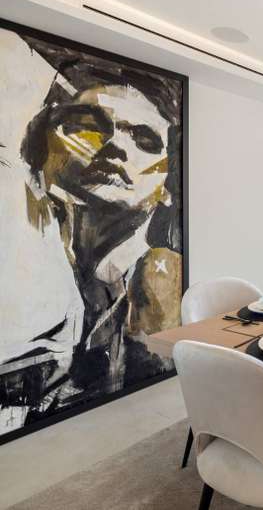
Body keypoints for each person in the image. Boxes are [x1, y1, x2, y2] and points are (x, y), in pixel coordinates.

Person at [0, 31, 182, 433]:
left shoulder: (162, 284)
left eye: (145, 139)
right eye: (87, 125)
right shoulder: (29, 285)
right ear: (40, 151)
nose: (115, 146)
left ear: (166, 186)